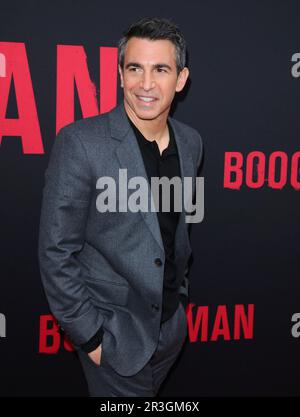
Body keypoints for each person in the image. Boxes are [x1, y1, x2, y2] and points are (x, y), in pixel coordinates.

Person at [38, 16, 203, 397]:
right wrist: (92, 336)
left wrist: (180, 300)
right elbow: (55, 251)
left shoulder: (192, 143)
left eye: (160, 69)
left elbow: (177, 231)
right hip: (115, 336)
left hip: (170, 330)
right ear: (119, 74)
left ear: (180, 79)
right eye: (135, 69)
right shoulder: (81, 143)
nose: (146, 84)